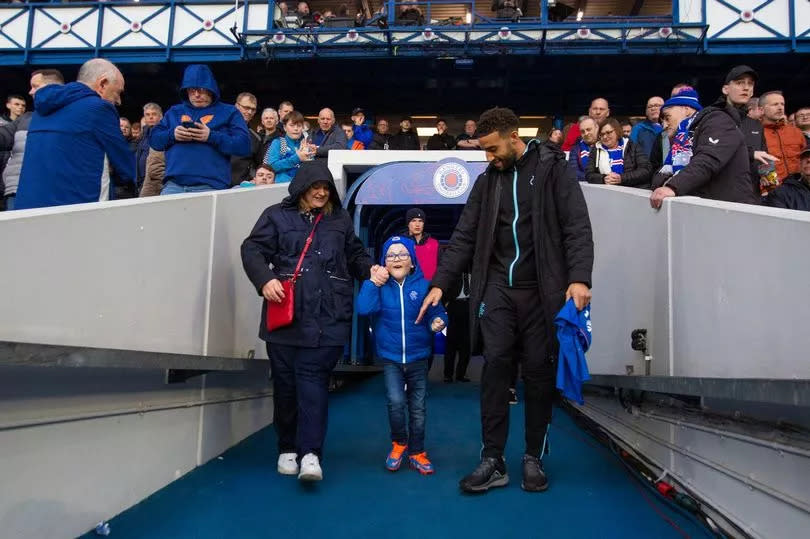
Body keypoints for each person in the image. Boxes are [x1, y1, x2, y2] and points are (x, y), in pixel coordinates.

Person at [418, 107, 594, 494]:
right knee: (495, 367)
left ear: (514, 137)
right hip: (497, 289)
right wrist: (440, 284)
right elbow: (464, 236)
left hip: (541, 291)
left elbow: (576, 226)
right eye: (484, 151)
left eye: (494, 149)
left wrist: (579, 277)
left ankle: (533, 457)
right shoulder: (487, 182)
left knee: (537, 374)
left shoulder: (553, 170)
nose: (489, 157)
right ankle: (492, 459)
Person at [241, 161, 372, 482]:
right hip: (286, 316)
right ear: (301, 188)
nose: (321, 192)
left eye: (326, 188)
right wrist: (265, 280)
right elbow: (252, 249)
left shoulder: (339, 219)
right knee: (286, 386)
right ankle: (288, 447)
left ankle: (311, 453)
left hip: (328, 317)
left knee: (313, 383)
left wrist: (372, 271)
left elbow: (355, 254)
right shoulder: (275, 215)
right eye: (315, 187)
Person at [356, 235, 447, 475]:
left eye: (402, 254)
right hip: (391, 359)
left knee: (418, 408)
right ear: (384, 262)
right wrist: (372, 282)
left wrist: (438, 322)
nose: (397, 258)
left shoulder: (424, 285)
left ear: (412, 261)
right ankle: (399, 443)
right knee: (396, 403)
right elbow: (364, 308)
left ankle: (417, 451)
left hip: (418, 358)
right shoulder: (379, 287)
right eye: (391, 255)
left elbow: (437, 313)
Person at [15, 59, 135, 210]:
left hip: (27, 207)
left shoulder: (40, 111)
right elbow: (123, 162)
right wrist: (130, 182)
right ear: (103, 84)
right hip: (75, 211)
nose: (119, 100)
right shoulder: (99, 108)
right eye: (118, 92)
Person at [651, 86, 760, 208]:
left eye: (667, 117)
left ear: (686, 109)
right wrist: (667, 184)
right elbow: (658, 175)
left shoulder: (717, 120)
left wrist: (673, 186)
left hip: (731, 209)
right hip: (710, 208)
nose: (664, 125)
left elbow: (707, 160)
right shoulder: (680, 140)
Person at [150, 64, 251, 194]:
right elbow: (154, 140)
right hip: (174, 185)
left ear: (211, 89)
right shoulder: (174, 111)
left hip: (211, 186)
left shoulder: (229, 112)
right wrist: (172, 134)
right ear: (185, 90)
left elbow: (244, 145)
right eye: (191, 89)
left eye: (202, 89)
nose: (196, 94)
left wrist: (211, 136)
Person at [0, 69, 64, 211]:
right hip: (18, 189)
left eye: (35, 86)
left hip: (55, 191)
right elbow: (3, 136)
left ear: (51, 88)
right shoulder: (26, 118)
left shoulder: (71, 117)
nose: (30, 92)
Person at [586, 118, 652, 188]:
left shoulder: (632, 147)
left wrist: (621, 178)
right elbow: (589, 174)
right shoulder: (596, 150)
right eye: (601, 134)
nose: (605, 137)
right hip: (607, 192)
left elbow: (646, 170)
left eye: (608, 132)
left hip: (633, 191)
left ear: (617, 131)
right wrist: (603, 178)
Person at [761, 91, 807, 183]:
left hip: (800, 186)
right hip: (773, 188)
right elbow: (762, 164)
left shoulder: (795, 132)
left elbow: (805, 159)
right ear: (761, 109)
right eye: (775, 104)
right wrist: (770, 189)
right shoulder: (757, 133)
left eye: (782, 104)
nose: (780, 107)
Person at [265, 110, 316, 184]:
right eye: (292, 125)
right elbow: (271, 167)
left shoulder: (305, 144)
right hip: (282, 188)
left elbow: (312, 171)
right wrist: (297, 158)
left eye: (299, 126)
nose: (296, 129)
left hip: (302, 188)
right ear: (285, 127)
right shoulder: (278, 143)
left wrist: (310, 157)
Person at [443, 270, 472, 383]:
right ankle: (448, 375)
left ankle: (461, 374)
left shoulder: (475, 272)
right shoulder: (453, 271)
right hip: (454, 305)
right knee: (451, 343)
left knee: (467, 344)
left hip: (469, 306)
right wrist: (445, 304)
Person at [231, 92, 263, 186]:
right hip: (214, 186)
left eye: (253, 109)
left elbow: (259, 165)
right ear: (236, 106)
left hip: (240, 189)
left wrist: (255, 179)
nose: (249, 112)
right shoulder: (219, 130)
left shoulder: (256, 138)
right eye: (246, 107)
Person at [568, 117, 598, 181]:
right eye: (582, 131)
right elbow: (573, 172)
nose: (586, 133)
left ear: (597, 128)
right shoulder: (575, 149)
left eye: (588, 129)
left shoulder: (607, 145)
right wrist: (597, 178)